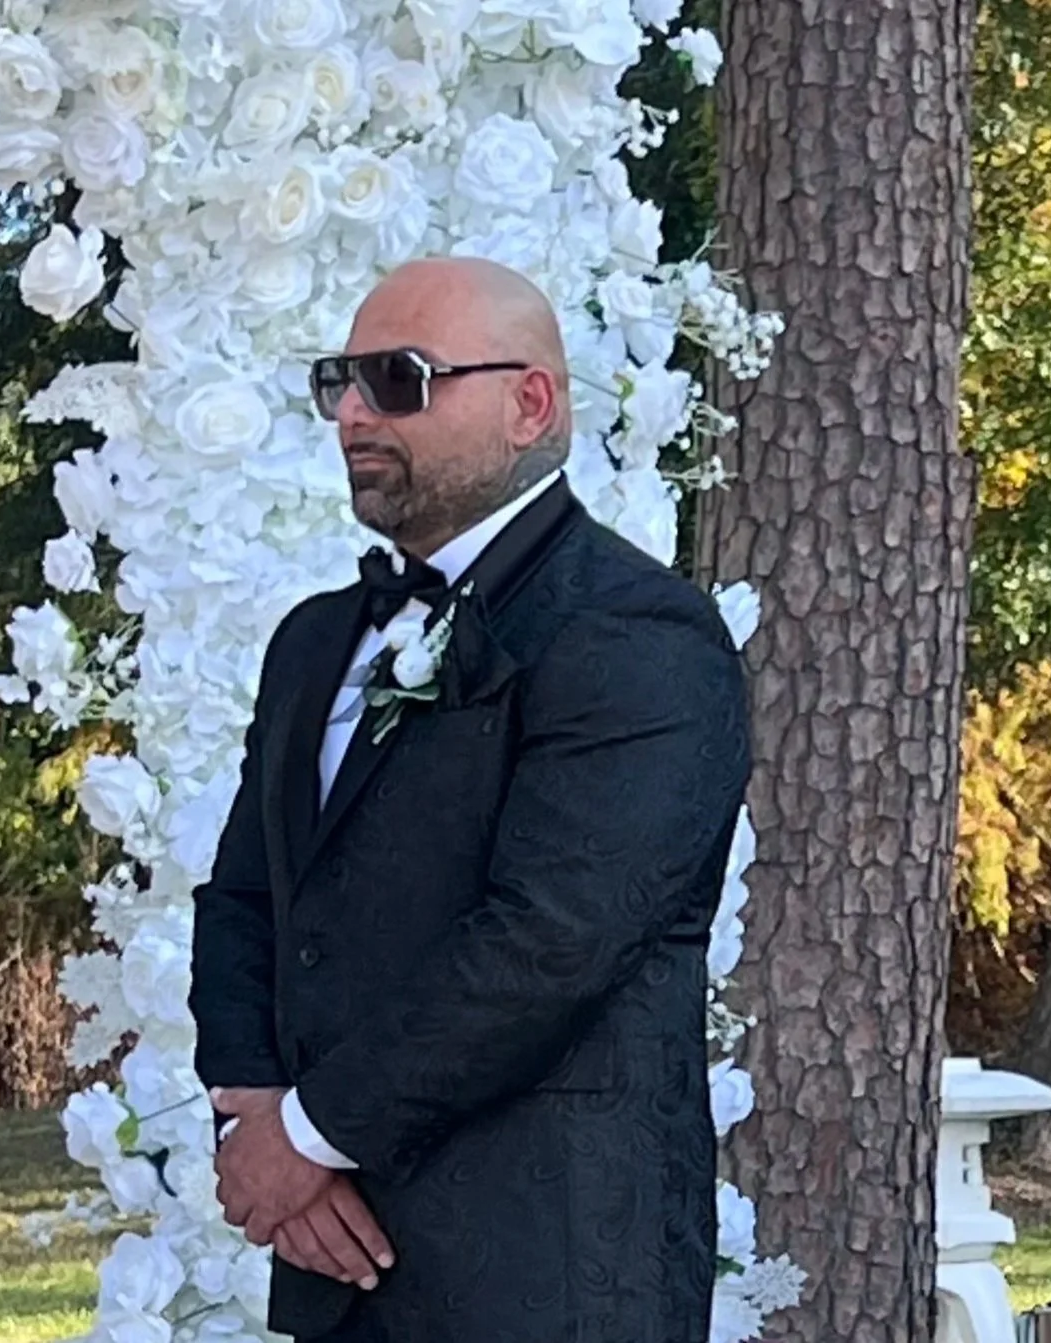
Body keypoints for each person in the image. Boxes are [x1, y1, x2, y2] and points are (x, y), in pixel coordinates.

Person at [187, 256, 751, 1343]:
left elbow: (550, 942)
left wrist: (306, 1136)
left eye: (397, 379)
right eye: (338, 381)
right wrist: (255, 1110)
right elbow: (249, 894)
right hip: (339, 1268)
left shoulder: (638, 634)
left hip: (550, 1263)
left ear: (527, 401)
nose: (353, 412)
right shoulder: (315, 641)